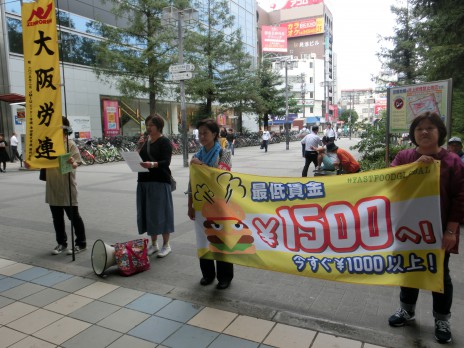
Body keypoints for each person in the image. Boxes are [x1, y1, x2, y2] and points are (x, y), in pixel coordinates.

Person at [387, 111, 464, 344]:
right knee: (410, 270)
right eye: (420, 128)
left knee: (439, 274)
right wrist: (414, 169)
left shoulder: (452, 161)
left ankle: (442, 319)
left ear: (440, 132)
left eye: (430, 128)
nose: (424, 132)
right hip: (407, 228)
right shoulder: (404, 157)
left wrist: (451, 231)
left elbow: (460, 197)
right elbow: (389, 182)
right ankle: (407, 311)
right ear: (413, 134)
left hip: (438, 231)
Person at [188, 118, 234, 290]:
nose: (202, 136)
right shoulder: (197, 155)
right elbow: (191, 182)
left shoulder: (224, 153)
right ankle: (207, 274)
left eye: (205, 133)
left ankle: (225, 277)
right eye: (200, 133)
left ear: (214, 134)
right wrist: (190, 205)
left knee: (220, 239)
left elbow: (221, 176)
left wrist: (201, 165)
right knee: (203, 239)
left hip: (220, 204)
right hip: (201, 206)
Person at [46, 117, 86, 255]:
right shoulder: (48, 143)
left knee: (73, 216)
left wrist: (72, 162)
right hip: (52, 184)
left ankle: (81, 243)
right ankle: (61, 243)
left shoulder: (70, 144)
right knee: (57, 217)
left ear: (65, 129)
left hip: (67, 185)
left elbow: (77, 163)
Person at [137, 114, 174, 258]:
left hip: (159, 181)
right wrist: (139, 146)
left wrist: (152, 164)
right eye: (147, 125)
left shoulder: (164, 142)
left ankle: (166, 245)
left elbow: (166, 161)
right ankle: (154, 244)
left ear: (159, 126)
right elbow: (139, 159)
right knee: (149, 213)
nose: (148, 128)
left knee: (162, 213)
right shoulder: (145, 141)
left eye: (151, 125)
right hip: (144, 181)